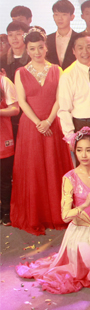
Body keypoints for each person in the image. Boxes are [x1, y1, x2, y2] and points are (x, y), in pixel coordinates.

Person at [16, 127, 90, 293]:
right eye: (79, 150)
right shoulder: (70, 178)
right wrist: (85, 204)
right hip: (81, 233)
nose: (84, 155)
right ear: (74, 151)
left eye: (88, 150)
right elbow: (65, 216)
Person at [12, 27, 74, 235]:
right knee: (34, 169)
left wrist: (48, 121)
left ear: (46, 47)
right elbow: (21, 101)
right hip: (31, 127)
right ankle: (36, 214)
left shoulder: (57, 70)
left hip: (53, 124)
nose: (37, 52)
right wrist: (38, 122)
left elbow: (60, 98)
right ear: (27, 50)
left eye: (40, 47)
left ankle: (57, 213)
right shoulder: (20, 73)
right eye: (32, 49)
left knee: (54, 165)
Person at [57, 32, 90, 166]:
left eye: (88, 47)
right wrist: (70, 137)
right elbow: (64, 110)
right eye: (80, 48)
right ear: (73, 51)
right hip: (83, 125)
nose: (85, 51)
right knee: (86, 167)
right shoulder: (68, 75)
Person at [3, 22, 29, 138]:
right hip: (8, 112)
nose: (14, 38)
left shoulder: (33, 59)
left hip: (29, 109)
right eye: (10, 35)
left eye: (18, 34)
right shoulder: (2, 60)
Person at [0, 76, 19, 225]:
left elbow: (15, 109)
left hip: (3, 138)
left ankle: (6, 211)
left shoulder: (4, 82)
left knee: (4, 178)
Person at [46, 0, 81, 69]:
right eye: (56, 14)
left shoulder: (79, 39)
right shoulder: (47, 39)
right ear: (53, 17)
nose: (60, 18)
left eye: (64, 14)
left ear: (72, 17)